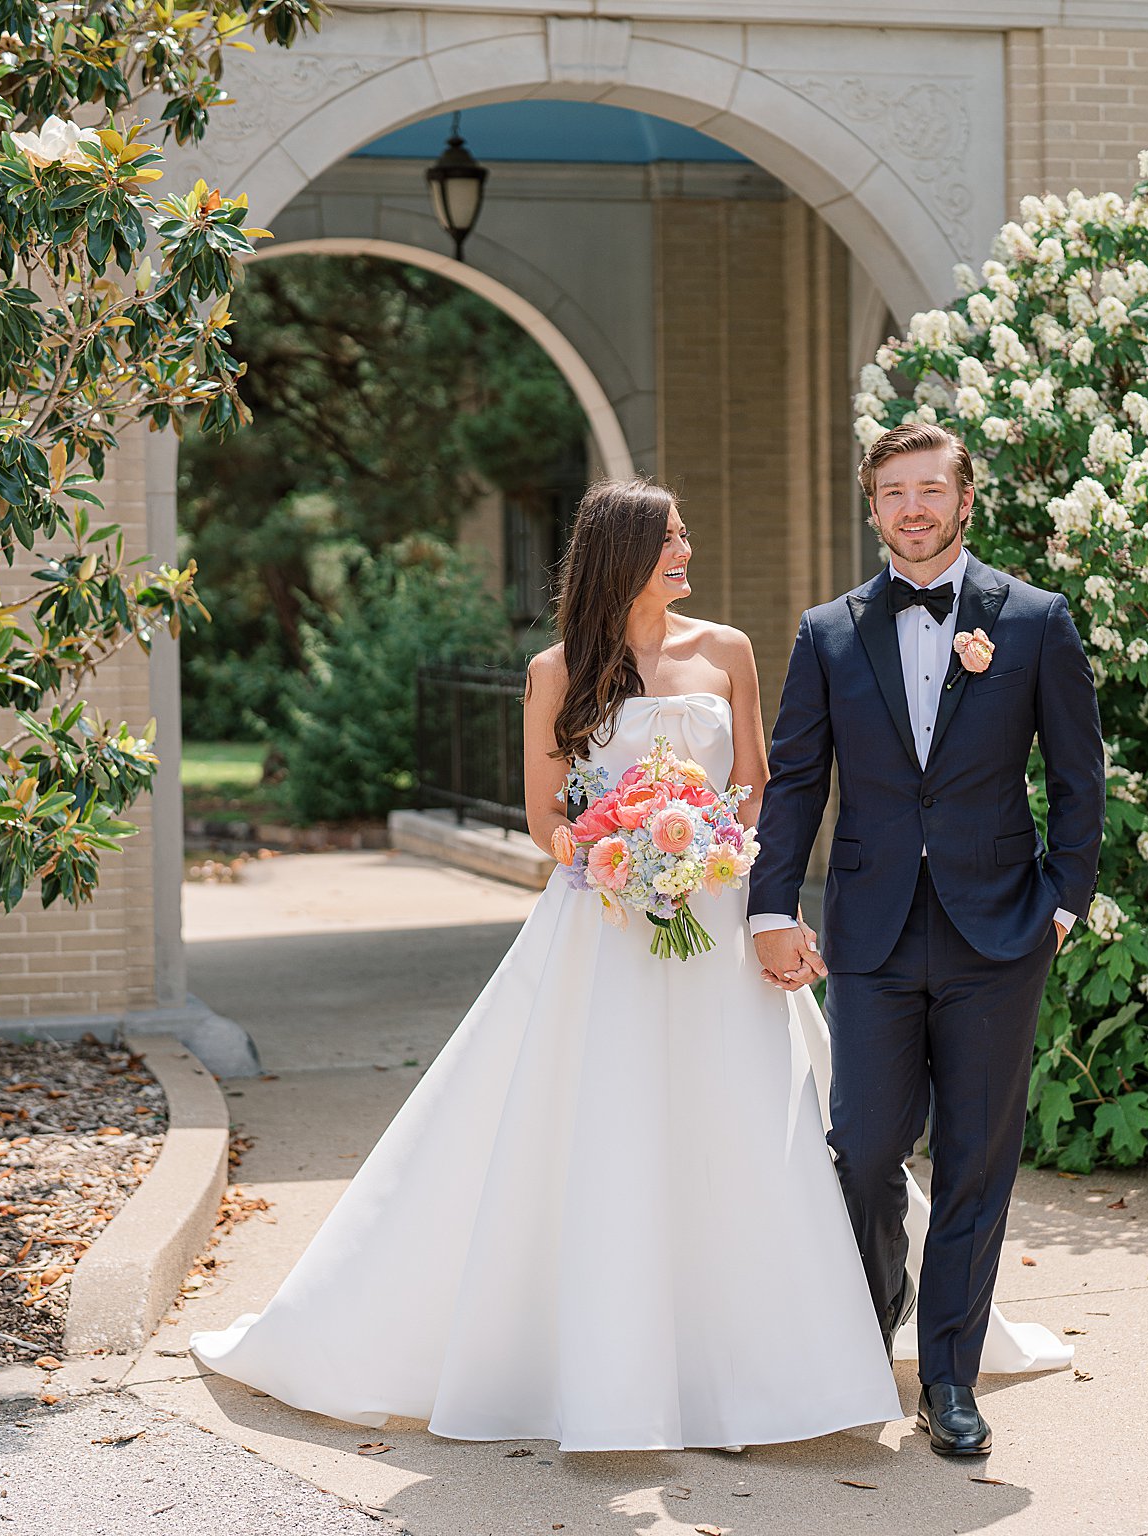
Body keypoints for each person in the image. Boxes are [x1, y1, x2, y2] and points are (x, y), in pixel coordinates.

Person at [188, 478, 905, 1450]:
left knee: (736, 1115)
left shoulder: (726, 650)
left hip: (714, 910)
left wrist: (704, 849)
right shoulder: (554, 670)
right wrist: (620, 850)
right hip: (603, 920)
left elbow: (756, 787)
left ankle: (764, 1366)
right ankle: (608, 1364)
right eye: (670, 540)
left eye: (686, 536)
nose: (686, 553)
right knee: (600, 1122)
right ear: (622, 553)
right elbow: (542, 820)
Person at [749, 420, 1106, 1457]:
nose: (910, 507)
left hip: (998, 930)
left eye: (928, 489)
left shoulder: (1033, 620)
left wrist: (1062, 898)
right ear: (872, 511)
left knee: (976, 1159)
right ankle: (868, 1328)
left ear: (962, 500)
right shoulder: (826, 633)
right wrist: (774, 907)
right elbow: (796, 784)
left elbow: (1078, 777)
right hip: (869, 935)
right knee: (861, 1151)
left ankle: (948, 1377)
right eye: (891, 492)